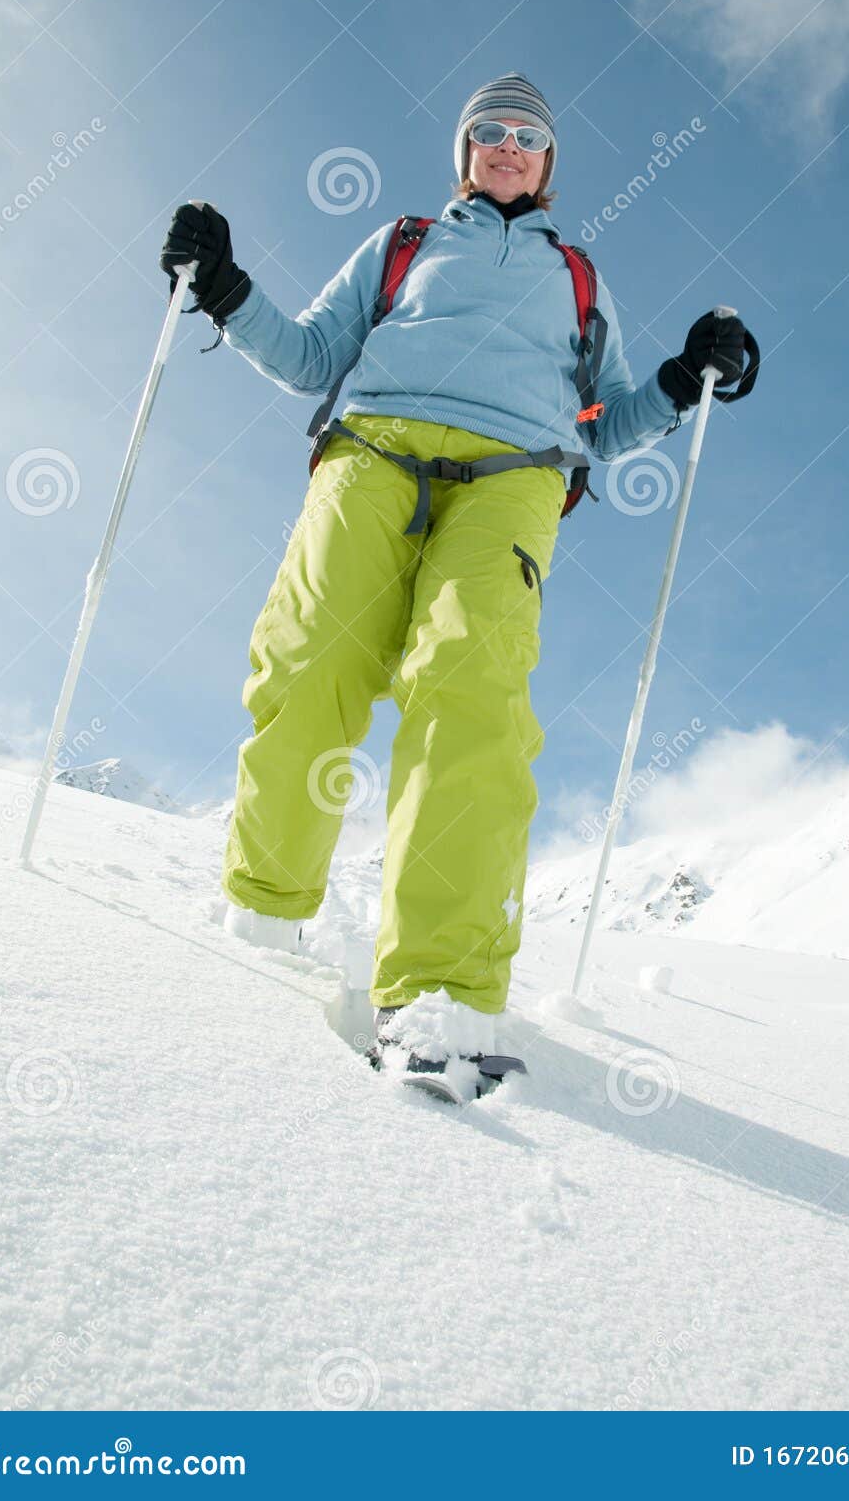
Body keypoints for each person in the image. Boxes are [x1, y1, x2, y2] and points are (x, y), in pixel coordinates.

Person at [160, 71, 748, 1091]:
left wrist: (682, 375)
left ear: (549, 162)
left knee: (469, 693)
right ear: (466, 152)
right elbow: (307, 356)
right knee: (313, 660)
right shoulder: (402, 244)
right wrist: (220, 285)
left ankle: (439, 991)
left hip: (514, 478)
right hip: (372, 451)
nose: (509, 146)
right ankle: (263, 916)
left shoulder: (577, 279)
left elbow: (608, 422)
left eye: (527, 135)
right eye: (490, 132)